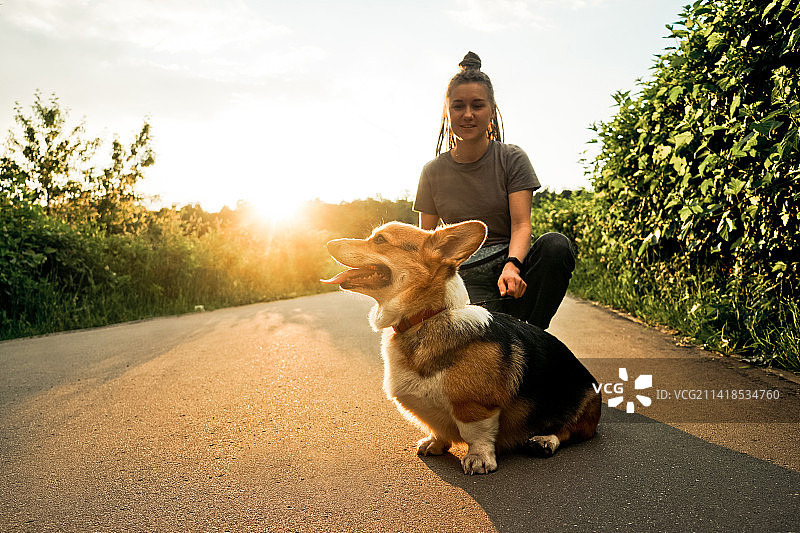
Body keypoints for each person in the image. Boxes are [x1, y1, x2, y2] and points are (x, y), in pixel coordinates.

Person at [413, 51, 575, 330]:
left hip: (511, 267)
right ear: (447, 111)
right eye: (458, 106)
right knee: (489, 339)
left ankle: (532, 335)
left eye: (477, 105)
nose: (467, 114)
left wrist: (512, 265)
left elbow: (522, 224)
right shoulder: (432, 171)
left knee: (556, 245)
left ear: (491, 109)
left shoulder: (512, 158)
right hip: (464, 277)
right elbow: (426, 243)